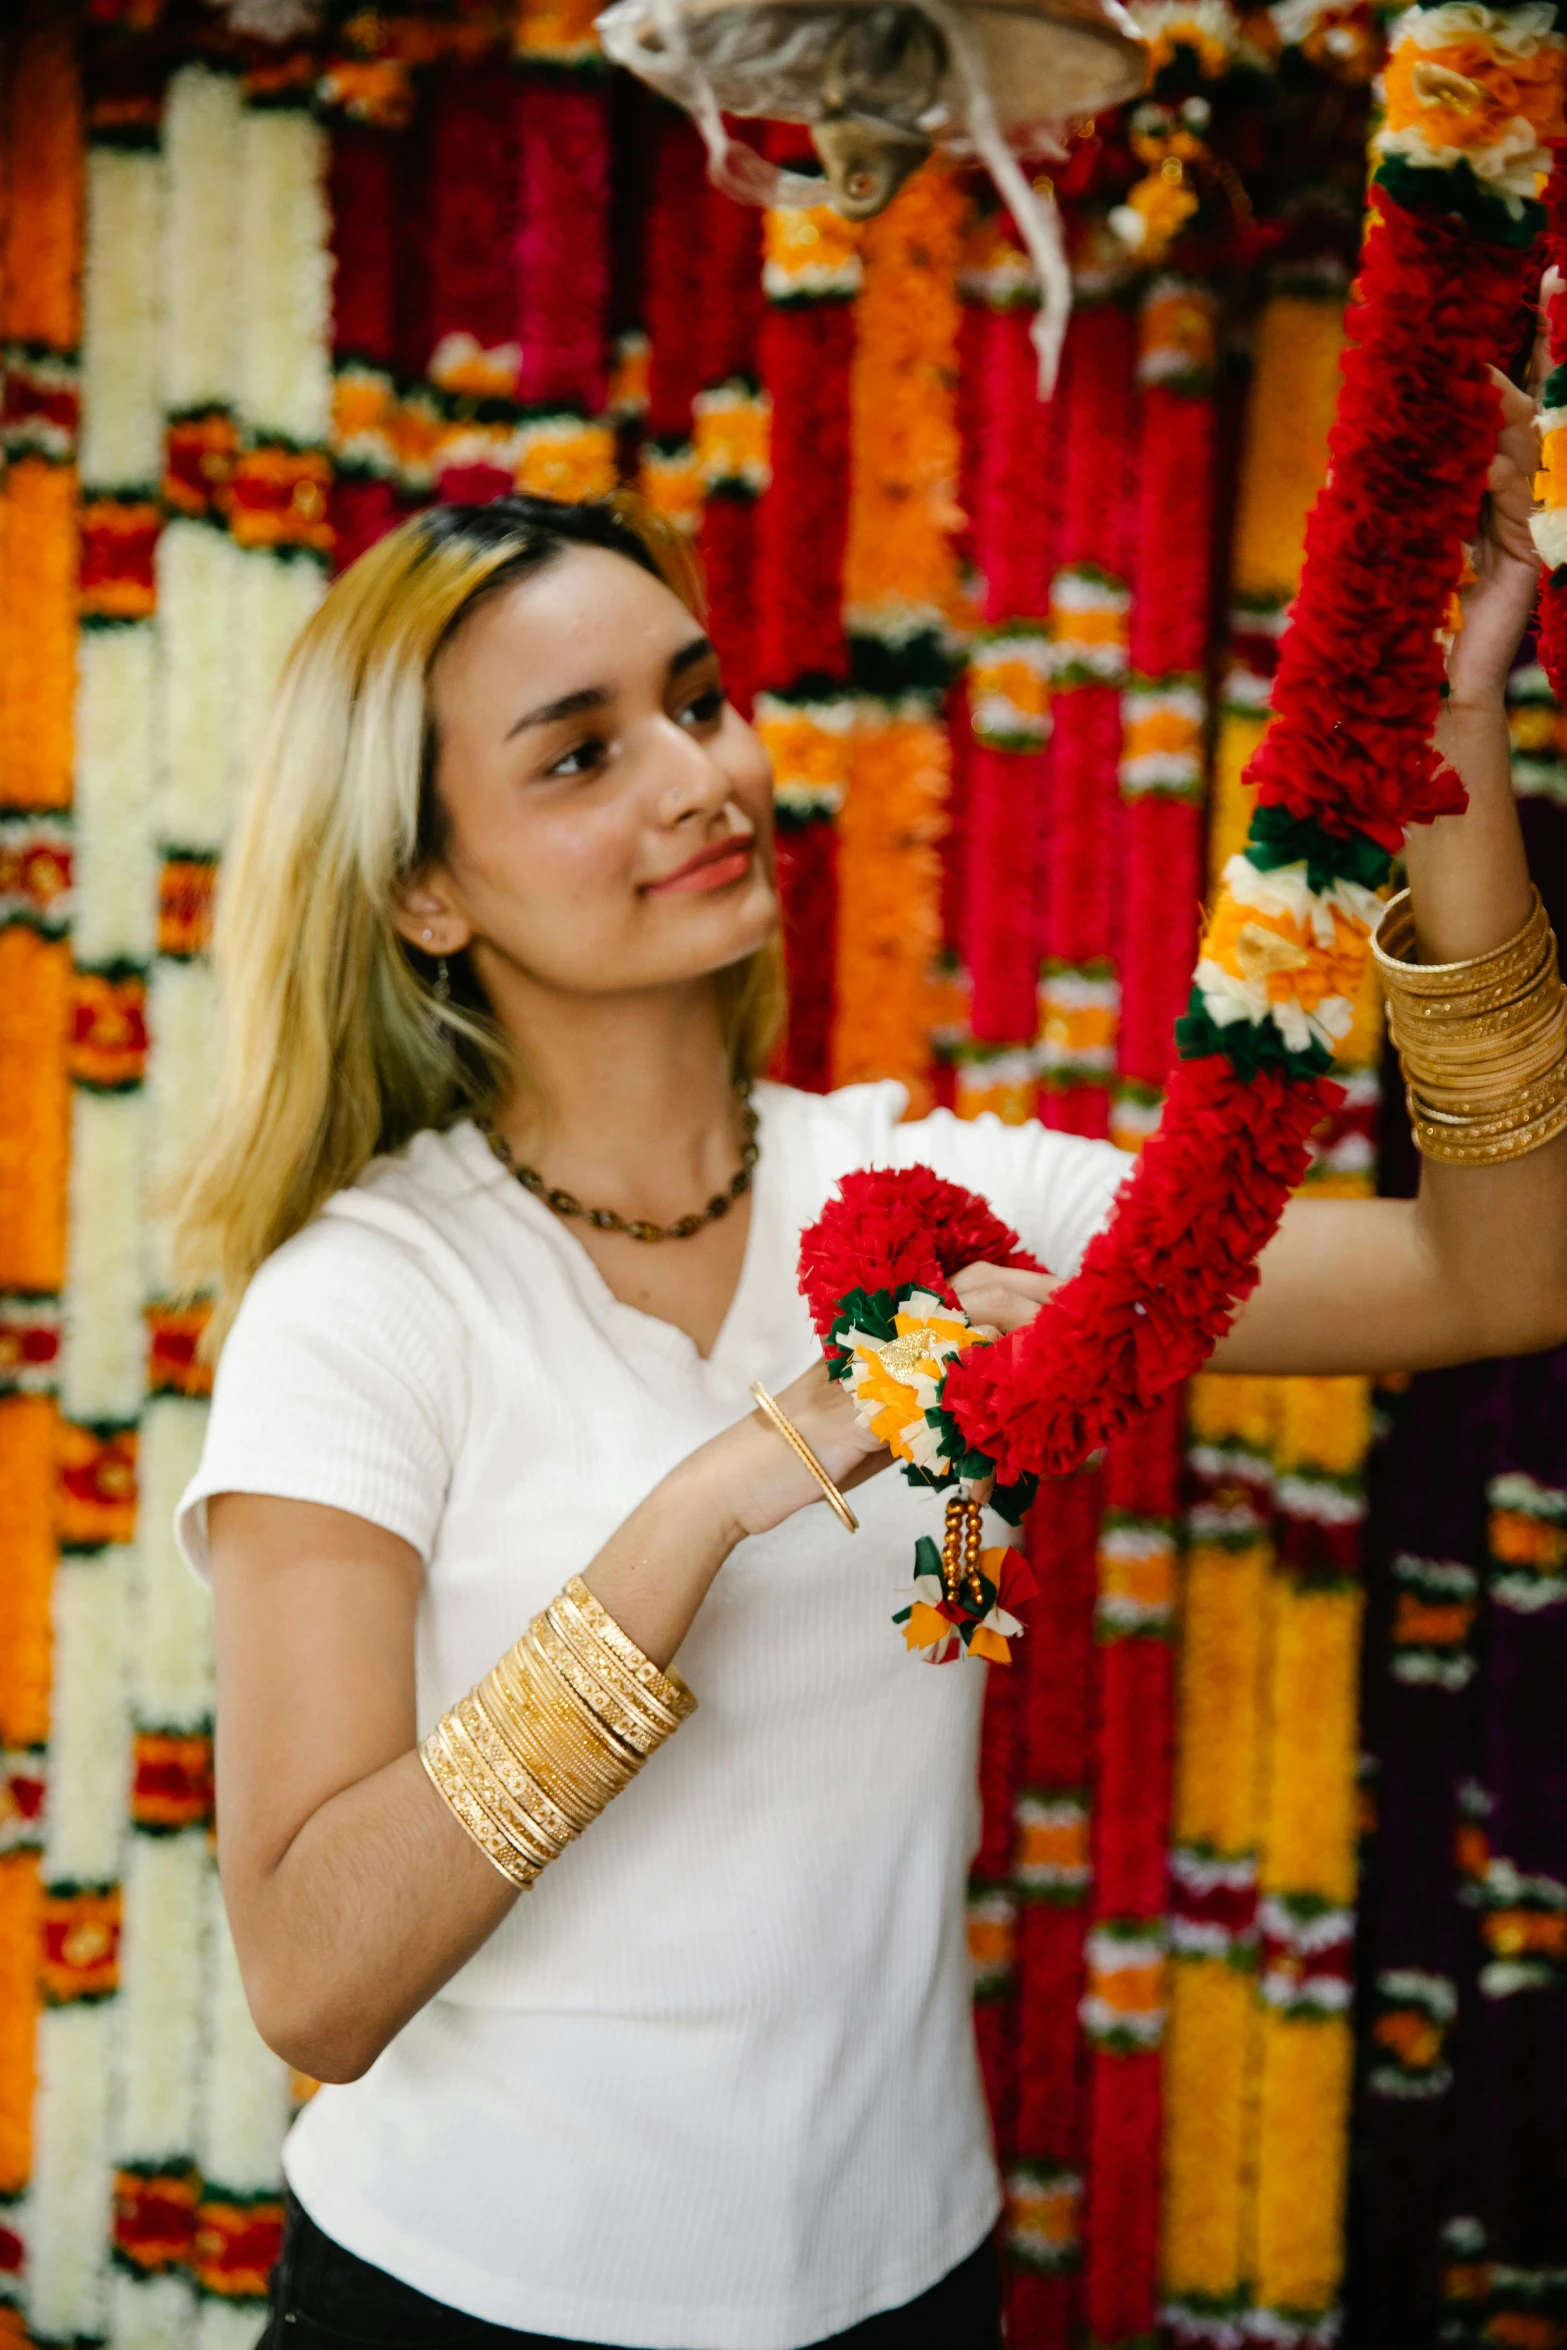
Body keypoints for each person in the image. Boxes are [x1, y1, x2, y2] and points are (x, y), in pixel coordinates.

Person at [175, 366, 1567, 2350]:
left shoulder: (924, 1181)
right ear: (421, 887)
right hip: (466, 2302)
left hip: (908, 2287)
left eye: (697, 695)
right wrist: (711, 1497)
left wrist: (1444, 749)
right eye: (581, 757)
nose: (699, 775)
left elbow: (1496, 1269)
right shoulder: (369, 1301)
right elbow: (315, 1979)